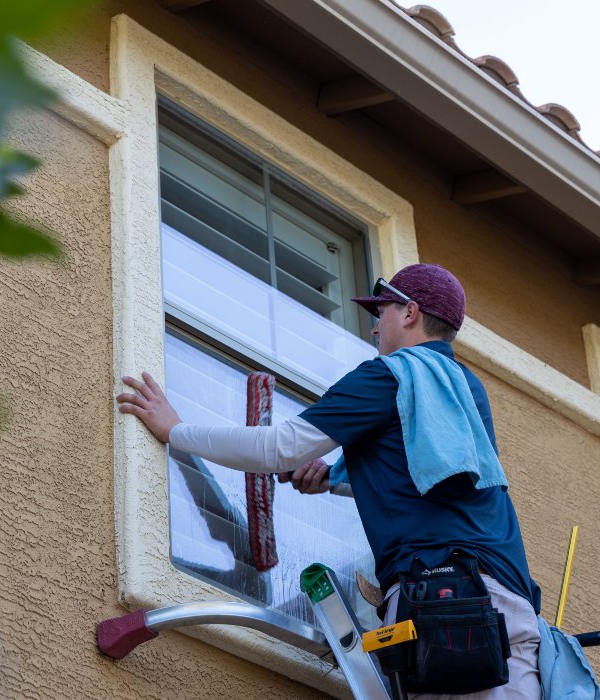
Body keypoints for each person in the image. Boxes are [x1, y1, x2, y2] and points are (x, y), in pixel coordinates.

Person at [117, 263, 541, 698]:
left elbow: (280, 447)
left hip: (447, 602)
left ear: (410, 313)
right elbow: (427, 473)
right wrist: (336, 477)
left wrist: (175, 430)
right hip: (511, 609)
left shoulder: (391, 375)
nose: (376, 330)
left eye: (382, 314)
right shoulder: (465, 391)